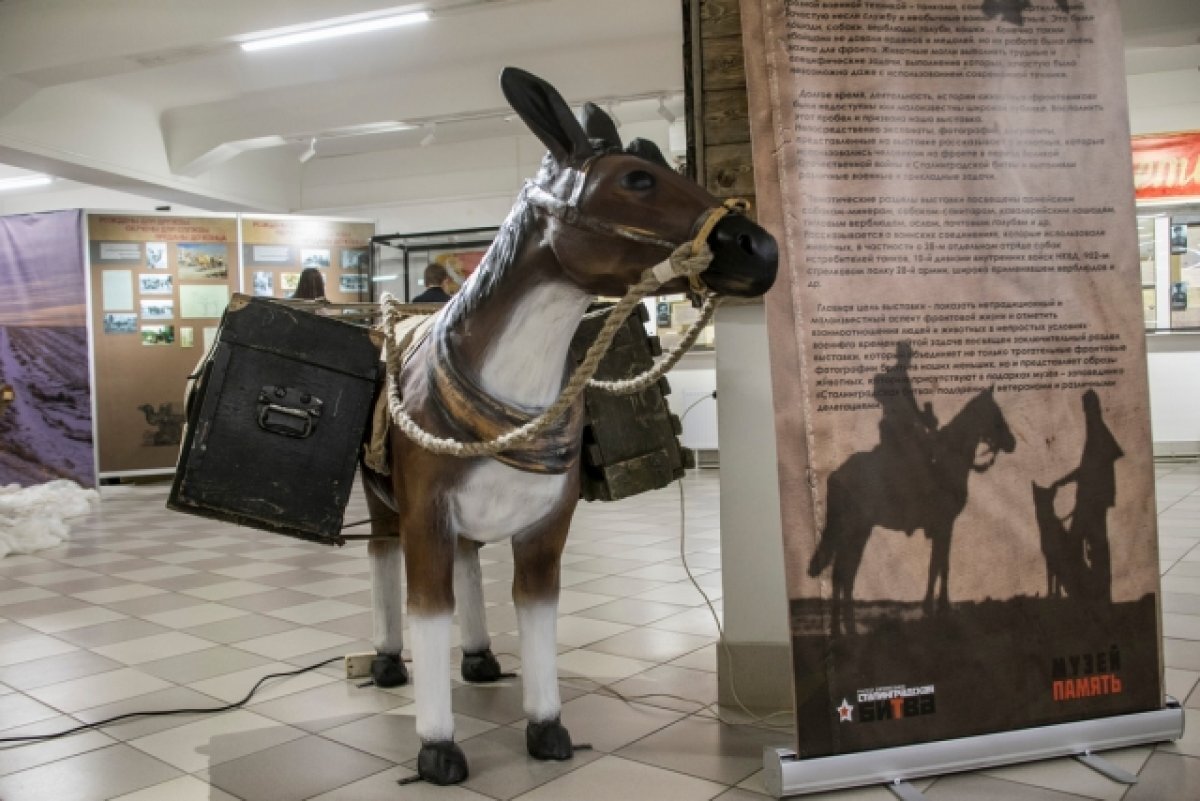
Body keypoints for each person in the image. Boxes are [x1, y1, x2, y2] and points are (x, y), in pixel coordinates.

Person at [1053, 389, 1124, 602]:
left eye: (1087, 407)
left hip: (1091, 502)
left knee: (1083, 546)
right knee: (1095, 547)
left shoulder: (1097, 433)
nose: (1086, 412)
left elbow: (1088, 470)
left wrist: (1062, 481)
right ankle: (1095, 594)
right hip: (1092, 501)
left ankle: (1089, 594)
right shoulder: (1096, 432)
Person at [872, 341, 939, 464]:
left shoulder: (903, 377)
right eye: (905, 356)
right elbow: (901, 404)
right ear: (900, 357)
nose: (908, 360)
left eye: (908, 356)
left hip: (904, 426)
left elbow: (911, 406)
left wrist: (927, 417)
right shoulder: (892, 376)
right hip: (898, 427)